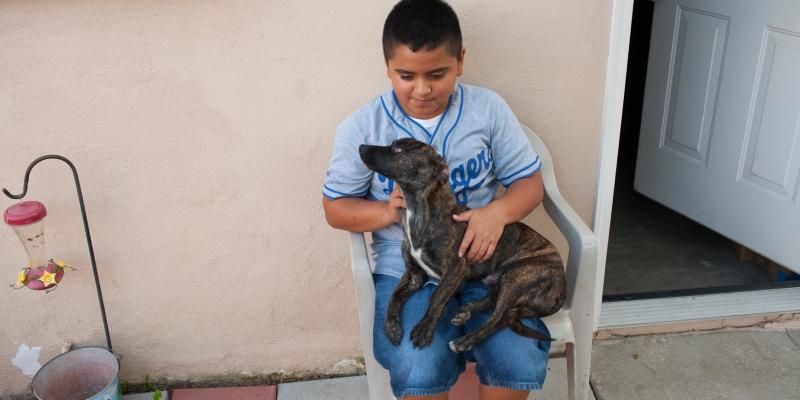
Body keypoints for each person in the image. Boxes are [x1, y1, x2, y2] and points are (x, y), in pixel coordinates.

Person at [322, 1, 548, 399]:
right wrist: (386, 210)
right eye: (406, 75)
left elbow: (529, 183)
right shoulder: (363, 125)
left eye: (437, 74)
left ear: (460, 61)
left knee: (519, 356)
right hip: (407, 269)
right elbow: (336, 209)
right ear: (387, 65)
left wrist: (496, 213)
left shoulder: (487, 109)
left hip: (483, 262)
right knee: (419, 362)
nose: (422, 89)